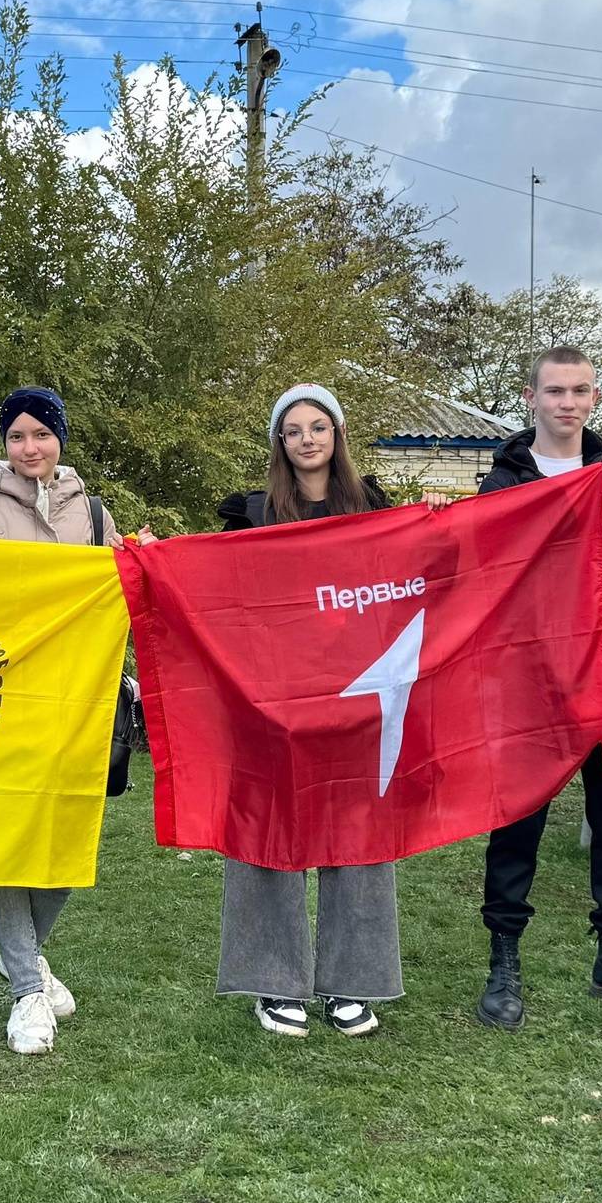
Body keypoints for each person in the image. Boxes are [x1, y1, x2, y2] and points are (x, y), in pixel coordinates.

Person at [467, 346, 602, 1031]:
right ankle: (504, 961)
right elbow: (479, 576)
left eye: (580, 391)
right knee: (517, 821)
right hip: (530, 682)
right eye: (555, 391)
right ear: (531, 398)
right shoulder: (501, 485)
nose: (568, 402)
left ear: (595, 398)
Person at [0, 386, 148, 1053]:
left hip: (79, 699)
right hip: (1, 702)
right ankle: (28, 987)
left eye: (42, 434)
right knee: (8, 838)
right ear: (5, 443)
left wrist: (145, 553)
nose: (30, 447)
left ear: (60, 440)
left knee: (68, 831)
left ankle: (20, 954)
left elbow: (122, 585)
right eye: (18, 436)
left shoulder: (92, 510)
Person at [213, 383, 401, 1037]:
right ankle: (276, 983)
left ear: (336, 434)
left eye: (318, 427)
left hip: (357, 696)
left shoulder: (376, 509)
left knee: (359, 835)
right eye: (292, 431)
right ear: (280, 442)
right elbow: (211, 587)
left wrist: (437, 519)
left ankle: (352, 983)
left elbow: (422, 576)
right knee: (270, 831)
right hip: (273, 700)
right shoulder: (252, 515)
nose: (306, 439)